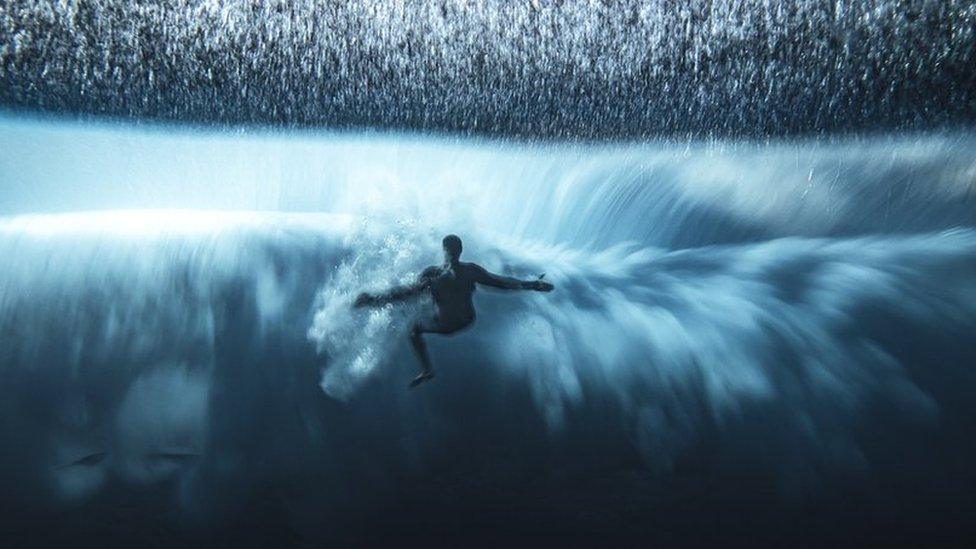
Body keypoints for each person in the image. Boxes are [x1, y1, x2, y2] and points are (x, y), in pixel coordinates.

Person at [354, 234, 554, 387]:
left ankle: (427, 370)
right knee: (419, 302)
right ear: (460, 251)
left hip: (446, 323)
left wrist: (373, 299)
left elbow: (406, 293)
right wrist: (532, 285)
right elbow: (500, 282)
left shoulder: (434, 275)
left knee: (414, 326)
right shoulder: (468, 271)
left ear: (445, 250)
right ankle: (426, 368)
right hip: (466, 320)